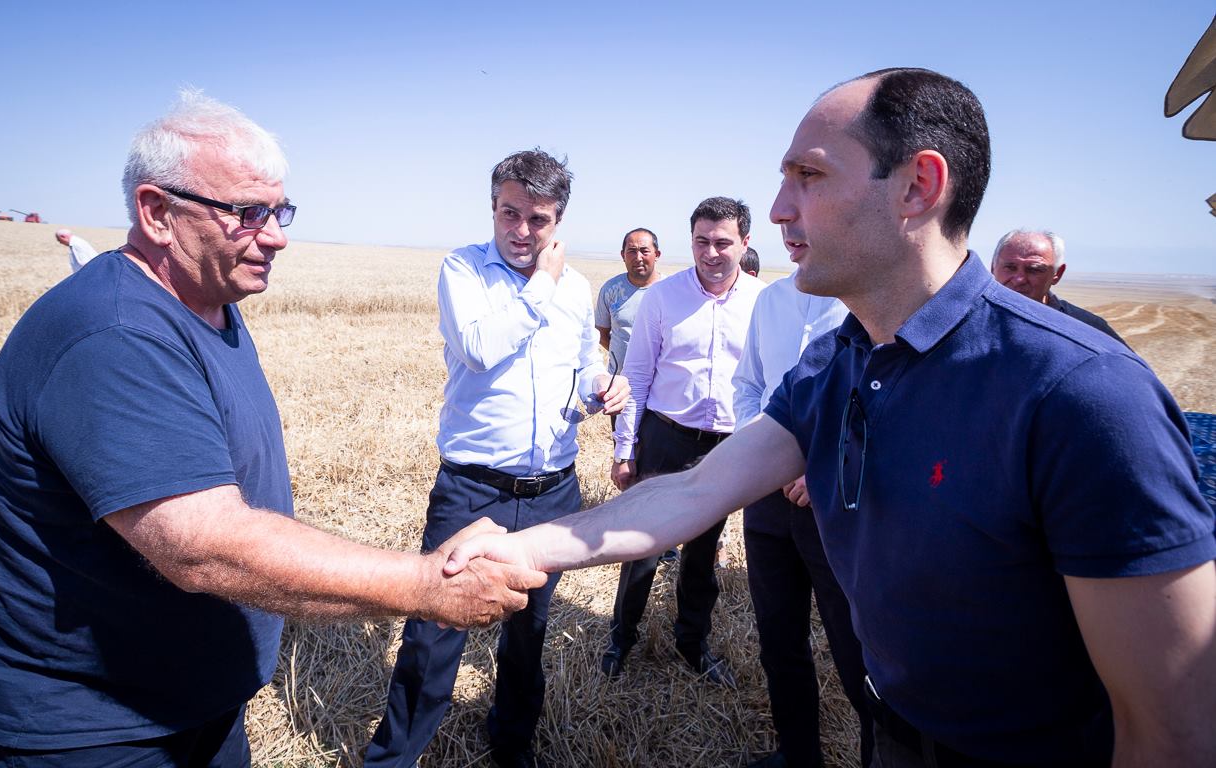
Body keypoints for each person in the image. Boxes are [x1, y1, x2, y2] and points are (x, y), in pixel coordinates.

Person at [445, 68, 1216, 767]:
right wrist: (523, 546)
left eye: (808, 176)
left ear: (918, 187)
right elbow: (693, 490)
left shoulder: (1083, 392)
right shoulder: (836, 362)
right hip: (891, 737)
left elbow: (1174, 732)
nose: (781, 209)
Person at [0, 91, 545, 768]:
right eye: (248, 213)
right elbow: (201, 545)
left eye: (279, 211)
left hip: (186, 699)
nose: (275, 235)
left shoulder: (204, 300)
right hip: (86, 725)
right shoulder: (115, 335)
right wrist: (425, 586)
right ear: (157, 212)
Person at [364, 149, 629, 768]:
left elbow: (581, 361)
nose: (522, 230)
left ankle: (512, 746)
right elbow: (481, 348)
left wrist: (601, 384)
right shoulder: (464, 269)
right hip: (473, 489)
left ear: (558, 220)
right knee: (434, 633)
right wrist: (542, 285)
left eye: (539, 219)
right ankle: (393, 758)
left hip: (553, 489)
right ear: (492, 208)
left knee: (528, 631)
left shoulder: (576, 287)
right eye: (510, 213)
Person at [601, 196, 764, 686]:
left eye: (722, 242)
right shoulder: (662, 298)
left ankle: (693, 642)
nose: (711, 253)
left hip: (726, 447)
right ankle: (620, 639)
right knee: (642, 546)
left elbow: (766, 381)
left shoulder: (763, 302)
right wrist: (625, 450)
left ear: (745, 243)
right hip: (665, 438)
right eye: (701, 241)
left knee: (702, 552)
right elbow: (637, 376)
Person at [732, 276, 870, 768]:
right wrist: (766, 454)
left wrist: (824, 468)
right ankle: (797, 754)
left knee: (856, 650)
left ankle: (880, 754)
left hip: (836, 504)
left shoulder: (863, 298)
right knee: (779, 638)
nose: (794, 239)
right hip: (767, 500)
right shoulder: (769, 300)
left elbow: (879, 403)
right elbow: (748, 386)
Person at [990, 228, 1127, 344]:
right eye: (1010, 267)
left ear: (1057, 274)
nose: (1019, 279)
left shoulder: (1088, 328)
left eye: (1034, 269)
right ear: (993, 267)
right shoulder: (977, 320)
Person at [595, 227, 663, 372]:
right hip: (619, 379)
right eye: (632, 251)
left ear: (657, 254)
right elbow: (601, 332)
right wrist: (624, 355)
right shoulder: (610, 289)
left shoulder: (670, 290)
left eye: (644, 251)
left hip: (659, 382)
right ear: (623, 255)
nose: (638, 257)